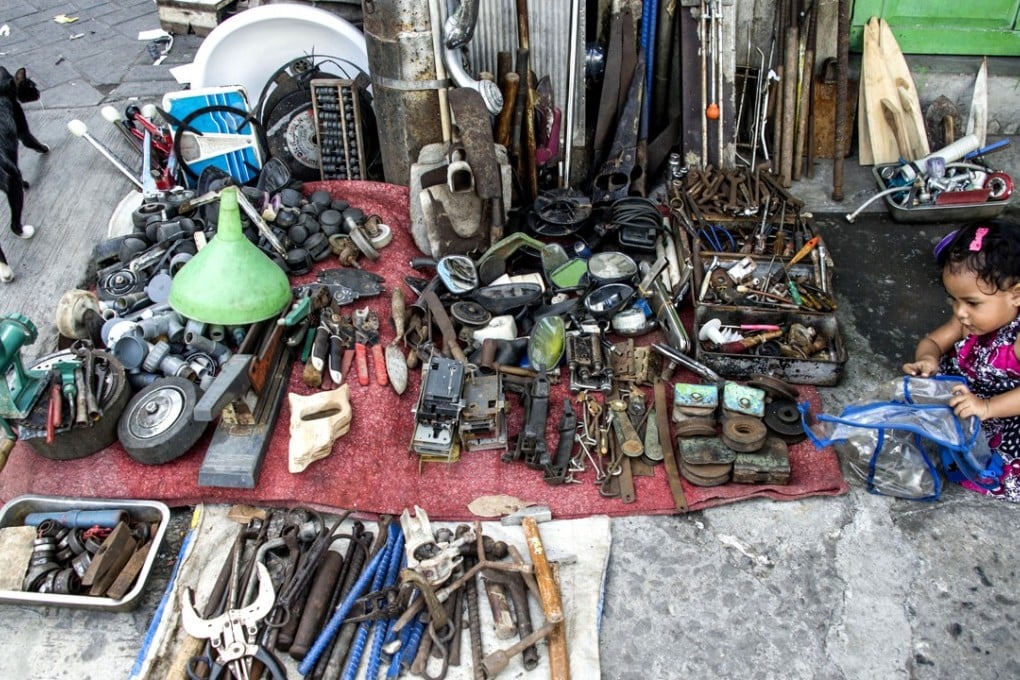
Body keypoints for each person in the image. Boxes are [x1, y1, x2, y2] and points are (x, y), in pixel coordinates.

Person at [903, 220, 1020, 502]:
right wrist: (928, 361)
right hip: (964, 399)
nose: (961, 312)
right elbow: (932, 342)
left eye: (972, 303)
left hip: (1002, 414)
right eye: (954, 301)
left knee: (987, 468)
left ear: (1016, 294)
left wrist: (987, 408)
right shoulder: (965, 320)